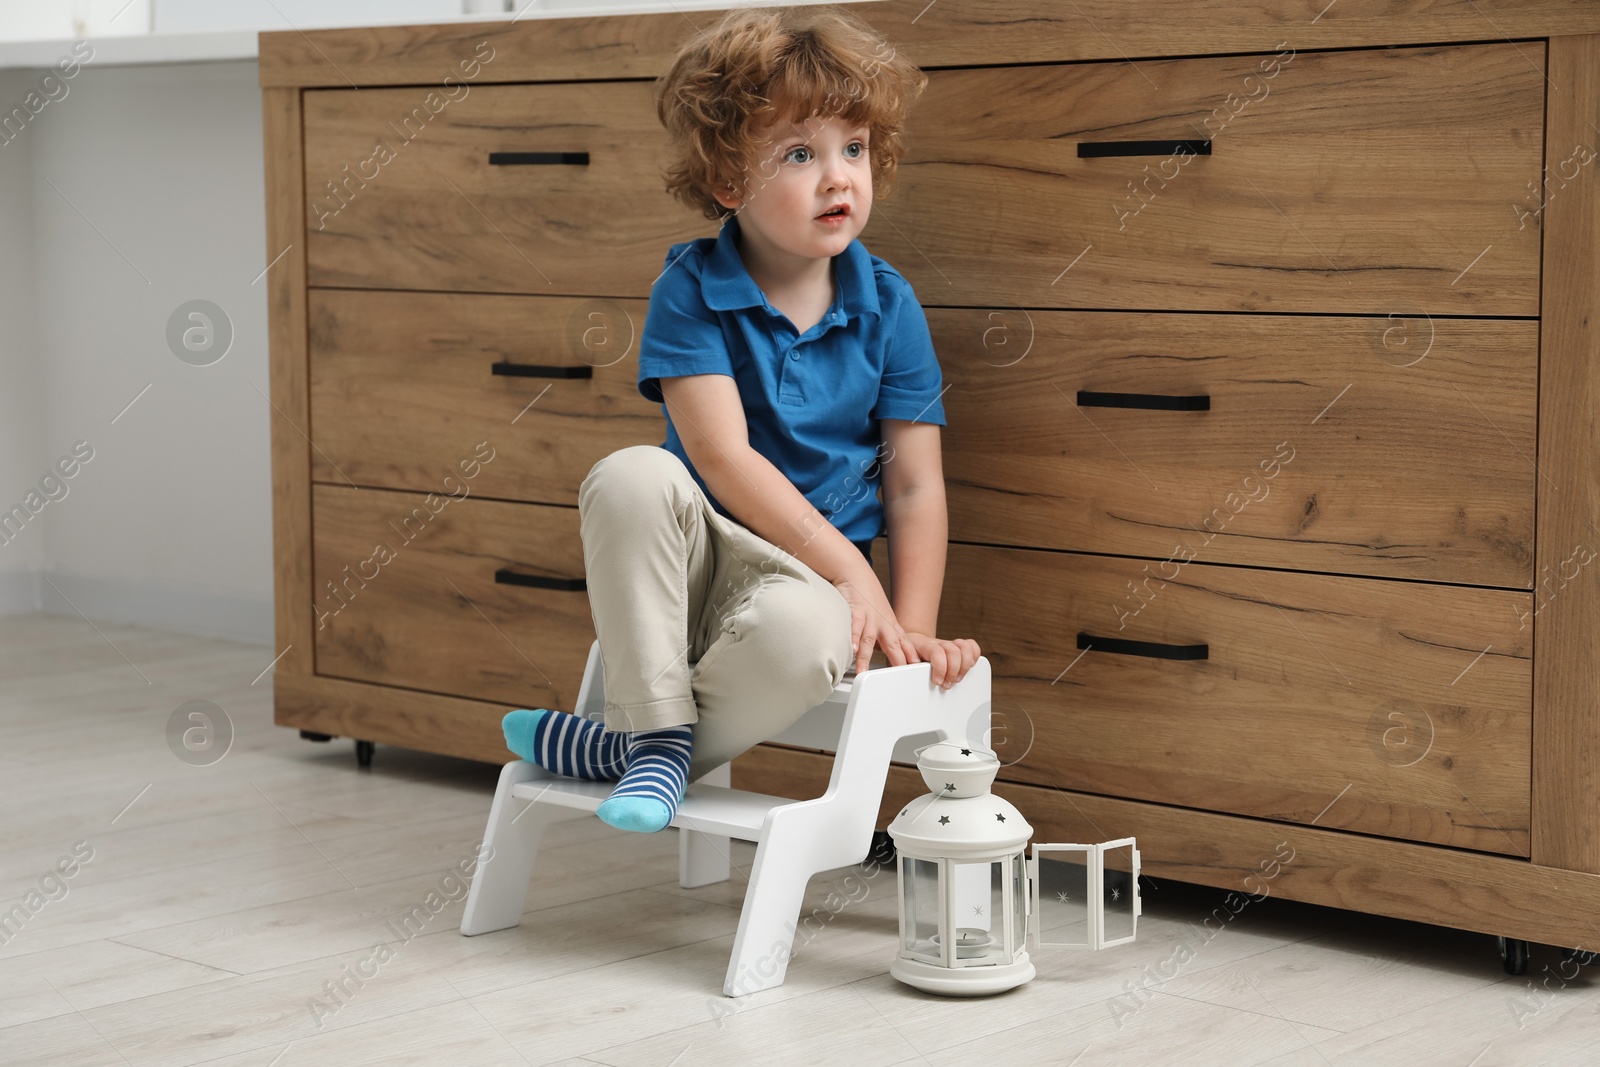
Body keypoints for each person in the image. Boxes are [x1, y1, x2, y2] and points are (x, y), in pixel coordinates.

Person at [502, 5, 980, 833]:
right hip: (697, 567)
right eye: (801, 154)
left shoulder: (891, 306)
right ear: (730, 182)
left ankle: (634, 747)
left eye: (854, 149)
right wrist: (853, 570)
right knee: (628, 474)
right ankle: (655, 731)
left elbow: (913, 486)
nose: (839, 177)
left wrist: (911, 627)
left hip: (805, 591)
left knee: (806, 638)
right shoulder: (690, 289)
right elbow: (720, 459)